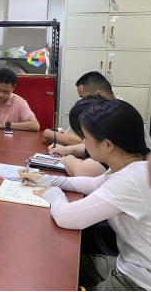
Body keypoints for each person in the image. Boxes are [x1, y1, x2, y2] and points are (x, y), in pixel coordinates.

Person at [20, 99, 151, 291]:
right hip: (128, 264)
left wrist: (53, 193)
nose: (83, 143)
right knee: (56, 264)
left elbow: (66, 216)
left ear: (107, 145)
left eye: (86, 138)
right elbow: (93, 183)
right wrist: (45, 179)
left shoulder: (130, 179)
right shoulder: (131, 167)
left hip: (139, 281)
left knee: (55, 268)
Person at [50, 95, 151, 177]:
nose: (84, 141)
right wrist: (67, 150)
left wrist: (66, 159)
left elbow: (82, 172)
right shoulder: (126, 159)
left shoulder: (124, 175)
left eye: (85, 136)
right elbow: (94, 183)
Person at [43, 72, 118, 146]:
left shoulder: (115, 114)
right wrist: (69, 135)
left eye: (85, 98)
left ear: (99, 94)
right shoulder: (110, 108)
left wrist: (51, 134)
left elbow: (92, 144)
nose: (83, 102)